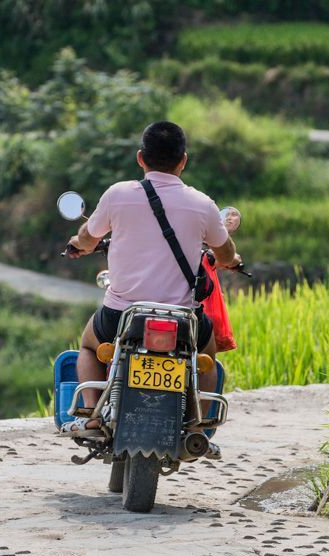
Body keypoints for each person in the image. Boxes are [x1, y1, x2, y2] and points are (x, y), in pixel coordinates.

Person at [61, 120, 242, 434]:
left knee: (89, 346)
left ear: (140, 158)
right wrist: (233, 261)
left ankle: (92, 415)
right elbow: (226, 254)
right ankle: (196, 427)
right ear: (183, 161)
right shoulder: (203, 205)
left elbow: (88, 238)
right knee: (206, 357)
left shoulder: (117, 195)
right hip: (183, 319)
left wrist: (78, 243)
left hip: (121, 315)